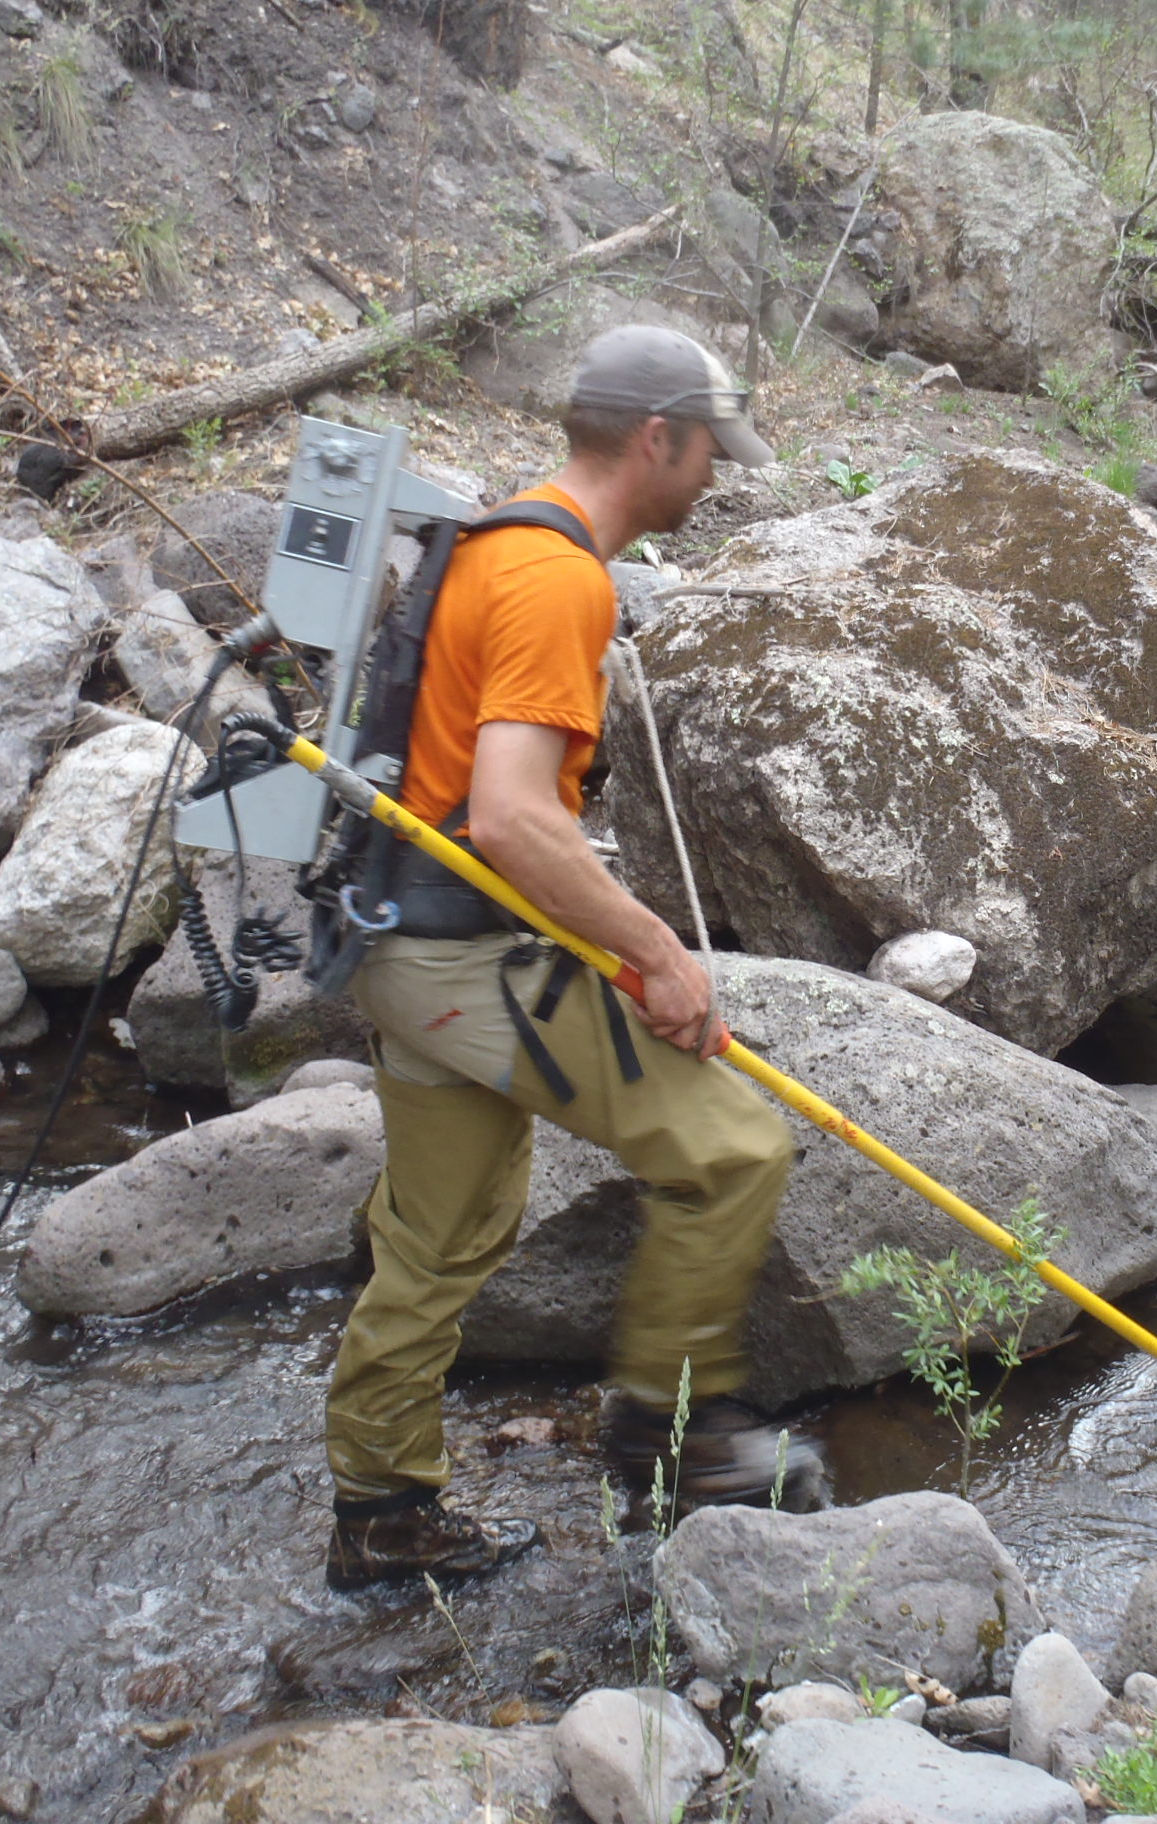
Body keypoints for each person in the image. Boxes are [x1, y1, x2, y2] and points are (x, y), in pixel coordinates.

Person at [323, 325, 822, 1590]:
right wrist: (656, 951)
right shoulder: (560, 580)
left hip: (393, 943)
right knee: (732, 1149)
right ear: (656, 439)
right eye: (710, 450)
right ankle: (670, 1431)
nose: (714, 475)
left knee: (440, 1240)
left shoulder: (486, 540)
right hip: (465, 956)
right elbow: (511, 817)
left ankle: (381, 1512)